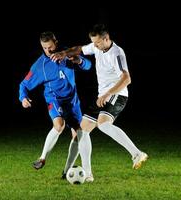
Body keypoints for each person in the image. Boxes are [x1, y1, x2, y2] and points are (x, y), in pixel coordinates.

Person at [51, 24, 148, 182]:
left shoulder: (117, 53)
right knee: (81, 131)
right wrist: (63, 53)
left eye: (97, 43)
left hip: (117, 94)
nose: (94, 46)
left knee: (103, 124)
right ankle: (88, 174)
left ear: (106, 38)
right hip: (103, 96)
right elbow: (79, 49)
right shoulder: (97, 47)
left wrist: (109, 93)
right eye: (93, 43)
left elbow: (127, 78)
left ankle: (137, 153)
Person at [19, 31, 91, 172]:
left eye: (50, 47)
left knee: (78, 133)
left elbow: (88, 66)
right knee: (59, 125)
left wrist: (79, 61)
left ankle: (67, 171)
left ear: (56, 42)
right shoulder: (40, 66)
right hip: (55, 99)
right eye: (44, 48)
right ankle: (42, 158)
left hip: (72, 100)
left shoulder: (67, 53)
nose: (48, 51)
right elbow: (24, 85)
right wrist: (23, 98)